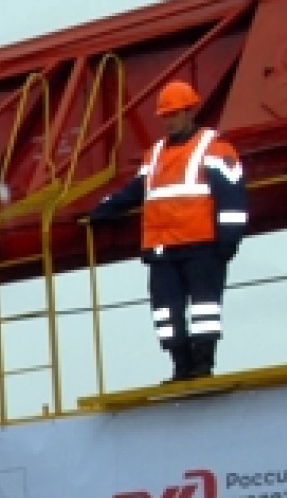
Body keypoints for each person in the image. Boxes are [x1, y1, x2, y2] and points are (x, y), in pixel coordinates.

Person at [89, 80, 247, 381]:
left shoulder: (215, 148)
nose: (169, 120)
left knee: (204, 310)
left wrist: (228, 240)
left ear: (190, 111)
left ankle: (202, 366)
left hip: (202, 247)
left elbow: (232, 196)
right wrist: (105, 208)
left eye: (174, 114)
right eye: (165, 115)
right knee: (165, 313)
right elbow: (136, 190)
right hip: (162, 250)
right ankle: (181, 366)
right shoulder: (155, 154)